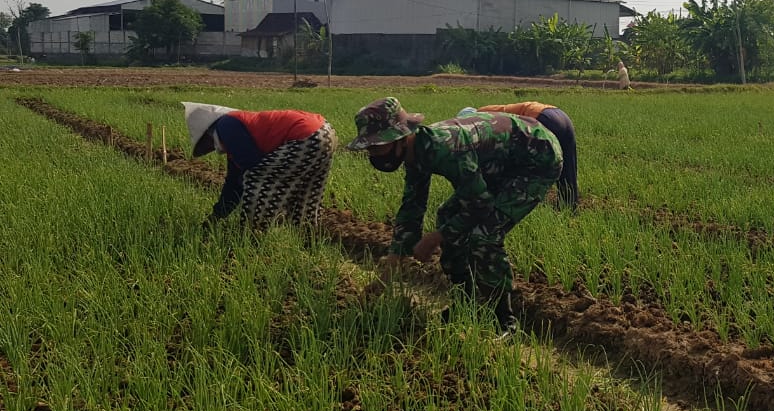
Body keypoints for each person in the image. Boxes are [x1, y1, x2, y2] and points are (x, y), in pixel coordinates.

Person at [347, 97, 563, 335]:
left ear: (399, 137)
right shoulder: (415, 152)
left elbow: (480, 202)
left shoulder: (446, 148)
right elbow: (412, 206)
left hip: (536, 158)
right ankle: (466, 302)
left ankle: (505, 321)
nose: (373, 154)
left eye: (378, 147)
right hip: (500, 161)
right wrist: (396, 256)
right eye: (370, 149)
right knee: (448, 215)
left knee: (485, 235)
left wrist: (436, 237)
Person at [182, 102, 337, 228]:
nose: (211, 149)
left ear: (208, 134)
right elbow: (233, 184)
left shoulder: (227, 125)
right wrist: (216, 216)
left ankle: (252, 233)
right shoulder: (237, 133)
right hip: (325, 132)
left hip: (305, 136)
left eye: (207, 145)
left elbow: (250, 167)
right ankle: (307, 235)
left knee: (255, 177)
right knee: (306, 190)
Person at [458, 102, 578, 210]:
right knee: (568, 165)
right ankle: (570, 205)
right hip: (559, 115)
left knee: (533, 166)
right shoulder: (489, 110)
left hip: (540, 119)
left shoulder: (480, 118)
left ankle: (526, 204)